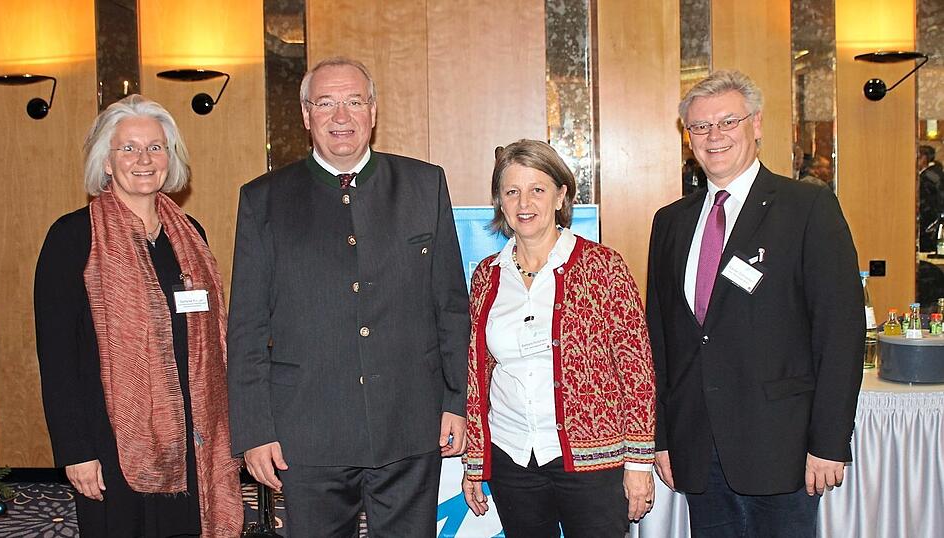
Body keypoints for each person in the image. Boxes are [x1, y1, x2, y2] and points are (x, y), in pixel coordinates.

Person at [227, 57, 470, 537]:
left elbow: (450, 307)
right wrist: (255, 431)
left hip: (409, 421)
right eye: (327, 103)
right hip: (308, 431)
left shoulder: (424, 185)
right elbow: (248, 327)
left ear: (373, 111)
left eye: (354, 102)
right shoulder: (263, 200)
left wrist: (456, 401)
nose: (342, 116)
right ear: (305, 115)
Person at [646, 70, 863, 537]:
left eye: (728, 121)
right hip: (698, 448)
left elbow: (840, 334)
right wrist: (661, 438)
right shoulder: (670, 223)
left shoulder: (807, 208)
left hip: (781, 447)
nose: (714, 136)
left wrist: (829, 442)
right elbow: (659, 341)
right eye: (700, 127)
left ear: (757, 124)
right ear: (689, 137)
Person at [34, 95, 242, 537]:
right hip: (110, 439)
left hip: (193, 437)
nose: (143, 159)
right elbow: (56, 356)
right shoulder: (72, 237)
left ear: (171, 156)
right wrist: (75, 450)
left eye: (155, 147)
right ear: (106, 163)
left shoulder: (192, 235)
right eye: (128, 148)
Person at [461, 139, 656, 537]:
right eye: (511, 191)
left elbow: (636, 370)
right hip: (512, 458)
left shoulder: (603, 266)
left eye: (537, 189)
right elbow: (477, 374)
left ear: (561, 194)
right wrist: (475, 462)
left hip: (593, 463)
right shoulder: (487, 275)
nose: (523, 202)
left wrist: (638, 464)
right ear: (499, 200)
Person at [918, 144, 944, 252]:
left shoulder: (927, 177)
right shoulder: (937, 173)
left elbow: (926, 205)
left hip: (930, 227)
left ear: (924, 158)